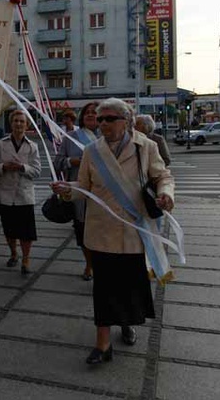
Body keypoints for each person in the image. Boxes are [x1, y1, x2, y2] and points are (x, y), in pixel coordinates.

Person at [50, 98, 174, 365]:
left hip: (133, 231)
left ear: (126, 121)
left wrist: (165, 195)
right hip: (101, 232)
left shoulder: (146, 147)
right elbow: (83, 186)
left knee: (129, 287)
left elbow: (163, 177)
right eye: (100, 118)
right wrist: (66, 190)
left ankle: (126, 323)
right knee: (104, 289)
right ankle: (102, 344)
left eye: (109, 118)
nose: (102, 123)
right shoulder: (92, 151)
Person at [0, 109, 41, 274]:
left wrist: (22, 167)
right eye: (15, 121)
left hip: (25, 196)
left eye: (22, 121)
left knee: (26, 232)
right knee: (9, 230)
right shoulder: (0, 144)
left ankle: (25, 259)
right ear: (10, 124)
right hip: (6, 195)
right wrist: (3, 167)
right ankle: (13, 253)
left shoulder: (32, 146)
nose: (18, 124)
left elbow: (37, 171)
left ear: (27, 125)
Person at [54, 102, 100, 280]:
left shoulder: (107, 136)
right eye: (87, 112)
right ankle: (89, 264)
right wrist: (71, 162)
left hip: (103, 194)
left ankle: (101, 264)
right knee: (82, 231)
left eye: (94, 113)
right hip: (80, 194)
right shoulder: (71, 137)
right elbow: (58, 161)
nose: (90, 115)